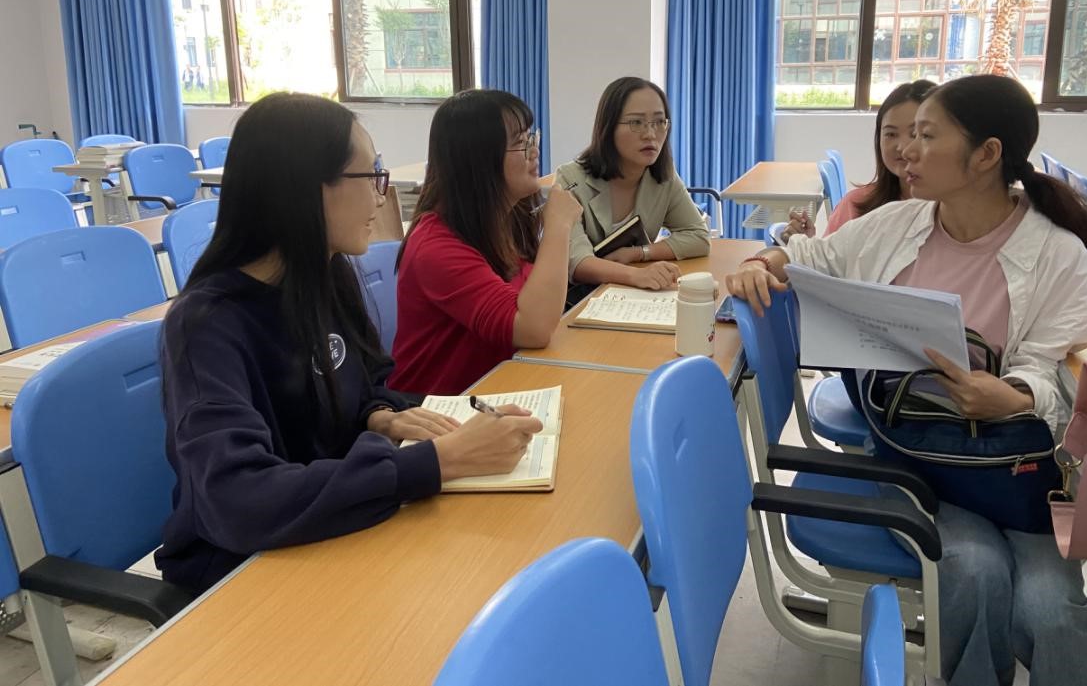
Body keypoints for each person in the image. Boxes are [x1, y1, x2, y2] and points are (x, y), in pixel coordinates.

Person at [726, 75, 1087, 686]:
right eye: (906, 135)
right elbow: (815, 256)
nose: (905, 151)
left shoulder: (1056, 253)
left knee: (1049, 609)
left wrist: (1012, 396)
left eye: (927, 136)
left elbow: (1048, 370)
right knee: (976, 571)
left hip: (1010, 467)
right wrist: (764, 260)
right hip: (914, 457)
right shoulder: (897, 224)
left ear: (986, 154)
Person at [157, 93, 543, 595]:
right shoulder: (206, 324)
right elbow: (238, 499)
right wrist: (439, 461)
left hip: (341, 527)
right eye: (372, 175)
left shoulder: (329, 274)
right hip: (249, 570)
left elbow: (370, 379)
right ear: (306, 189)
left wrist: (380, 414)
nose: (383, 197)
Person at [389, 89, 583, 395]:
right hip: (439, 407)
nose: (534, 151)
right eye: (520, 143)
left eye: (531, 138)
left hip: (502, 383)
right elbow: (533, 328)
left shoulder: (508, 217)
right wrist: (558, 226)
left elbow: (534, 303)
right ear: (478, 159)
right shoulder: (435, 247)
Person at [553, 76, 710, 292]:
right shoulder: (570, 179)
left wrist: (639, 253)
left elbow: (698, 236)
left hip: (629, 294)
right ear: (608, 127)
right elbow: (576, 261)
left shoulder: (662, 177)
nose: (650, 134)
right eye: (636, 123)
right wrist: (638, 275)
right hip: (578, 299)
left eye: (659, 122)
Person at [783, 79, 934, 240]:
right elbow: (832, 254)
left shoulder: (949, 215)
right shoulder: (856, 205)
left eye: (915, 134)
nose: (902, 147)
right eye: (891, 134)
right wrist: (807, 245)